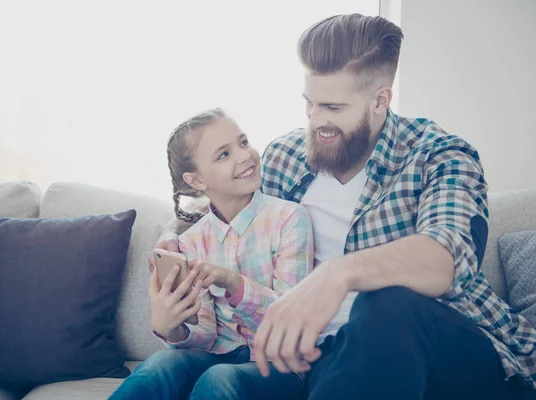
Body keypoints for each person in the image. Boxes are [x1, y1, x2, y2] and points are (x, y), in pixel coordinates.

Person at [152, 14, 536, 399]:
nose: (316, 121)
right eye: (310, 104)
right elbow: (226, 207)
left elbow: (447, 258)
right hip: (330, 360)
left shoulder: (439, 156)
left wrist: (337, 274)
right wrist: (172, 235)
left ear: (380, 100)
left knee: (388, 302)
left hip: (457, 354)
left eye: (333, 108)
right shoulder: (287, 156)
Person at [109, 108, 313, 400]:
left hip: (278, 363)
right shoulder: (191, 242)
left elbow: (291, 320)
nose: (245, 156)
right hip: (217, 355)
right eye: (223, 154)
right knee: (160, 365)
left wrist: (233, 283)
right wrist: (173, 327)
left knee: (220, 378)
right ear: (196, 181)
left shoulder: (290, 218)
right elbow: (205, 335)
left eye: (243, 143)